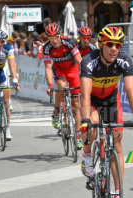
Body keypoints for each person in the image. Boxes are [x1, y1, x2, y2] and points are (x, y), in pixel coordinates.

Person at [79, 26, 133, 190]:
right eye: (110, 44)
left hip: (111, 99)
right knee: (93, 123)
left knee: (116, 144)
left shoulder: (124, 61)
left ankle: (117, 191)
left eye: (118, 45)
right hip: (93, 100)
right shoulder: (89, 61)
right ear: (101, 45)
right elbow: (85, 94)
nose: (114, 49)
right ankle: (87, 156)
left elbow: (131, 93)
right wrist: (85, 120)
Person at [43, 22, 83, 150]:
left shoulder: (69, 43)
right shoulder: (47, 48)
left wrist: (84, 77)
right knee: (61, 85)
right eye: (50, 38)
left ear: (60, 35)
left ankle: (77, 135)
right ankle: (56, 110)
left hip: (72, 71)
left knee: (76, 104)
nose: (54, 41)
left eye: (56, 37)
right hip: (59, 70)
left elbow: (79, 60)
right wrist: (50, 85)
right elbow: (48, 68)